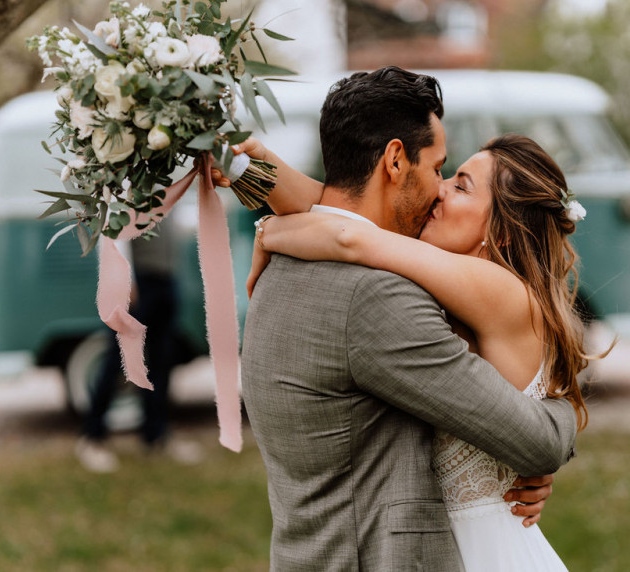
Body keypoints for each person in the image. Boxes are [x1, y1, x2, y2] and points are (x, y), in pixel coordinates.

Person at [231, 67, 577, 571]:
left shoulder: (299, 274)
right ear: (395, 159)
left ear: (500, 229)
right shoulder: (378, 296)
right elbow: (348, 225)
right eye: (443, 171)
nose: (439, 191)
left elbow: (352, 232)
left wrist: (272, 227)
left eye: (458, 184)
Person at [76, 218, 203, 473]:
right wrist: (125, 278)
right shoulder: (125, 183)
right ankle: (93, 437)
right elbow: (112, 230)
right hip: (138, 282)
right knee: (118, 361)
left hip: (165, 279)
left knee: (160, 360)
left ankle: (155, 434)